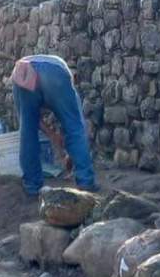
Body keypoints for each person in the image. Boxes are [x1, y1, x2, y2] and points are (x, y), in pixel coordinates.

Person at [11, 54, 97, 196]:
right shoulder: (66, 77)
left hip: (22, 70)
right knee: (74, 127)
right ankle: (86, 182)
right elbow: (76, 127)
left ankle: (33, 186)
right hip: (54, 72)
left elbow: (32, 121)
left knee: (27, 131)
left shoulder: (26, 73)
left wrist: (53, 135)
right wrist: (67, 149)